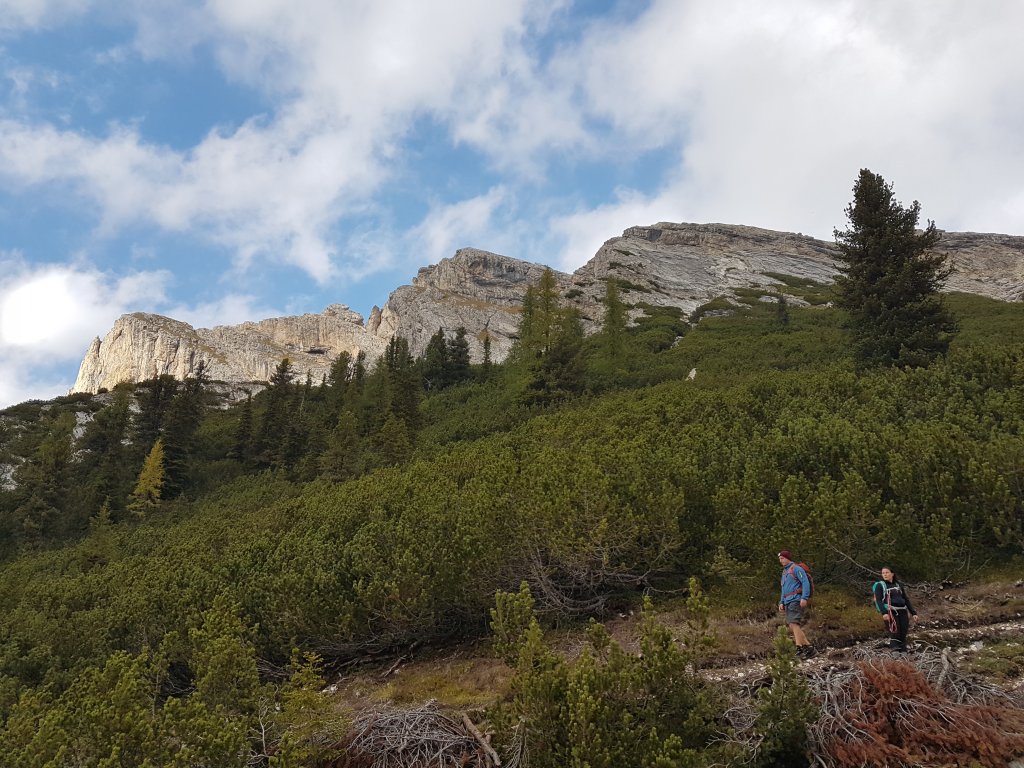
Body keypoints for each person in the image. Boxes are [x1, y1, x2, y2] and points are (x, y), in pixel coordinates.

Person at [777, 550, 815, 658]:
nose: (781, 561)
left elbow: (805, 582)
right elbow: (783, 588)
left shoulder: (796, 569)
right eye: (780, 559)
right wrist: (781, 602)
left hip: (796, 599)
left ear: (787, 558)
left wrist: (804, 597)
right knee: (792, 625)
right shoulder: (784, 572)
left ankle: (799, 648)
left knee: (794, 624)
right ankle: (809, 648)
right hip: (788, 600)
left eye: (782, 558)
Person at [872, 566, 918, 652]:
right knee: (894, 632)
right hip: (890, 612)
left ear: (892, 574)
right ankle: (895, 653)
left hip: (902, 611)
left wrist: (913, 613)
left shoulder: (898, 585)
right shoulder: (880, 585)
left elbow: (906, 599)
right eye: (883, 573)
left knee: (903, 632)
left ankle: (903, 652)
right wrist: (884, 613)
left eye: (887, 572)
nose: (885, 574)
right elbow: (879, 600)